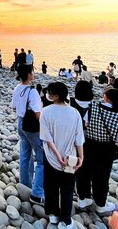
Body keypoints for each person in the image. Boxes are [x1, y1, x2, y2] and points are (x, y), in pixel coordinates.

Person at [76, 88, 118, 215]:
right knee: (102, 177)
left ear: (105, 97)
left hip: (89, 144)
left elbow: (86, 123)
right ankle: (100, 203)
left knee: (84, 172)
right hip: (106, 149)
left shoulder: (93, 106)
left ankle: (83, 198)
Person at [40, 82, 84, 228]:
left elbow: (47, 138)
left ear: (56, 95)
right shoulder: (75, 112)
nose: (48, 95)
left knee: (50, 186)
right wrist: (81, 157)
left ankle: (53, 214)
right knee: (67, 189)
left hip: (51, 156)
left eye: (50, 92)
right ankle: (66, 219)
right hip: (70, 157)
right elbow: (79, 138)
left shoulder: (46, 111)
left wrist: (57, 155)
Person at [10, 64, 45, 205]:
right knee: (42, 159)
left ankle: (25, 185)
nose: (34, 73)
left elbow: (13, 105)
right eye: (32, 71)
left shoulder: (18, 88)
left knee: (25, 154)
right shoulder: (32, 91)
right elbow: (37, 114)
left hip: (21, 122)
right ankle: (37, 192)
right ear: (28, 74)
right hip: (32, 127)